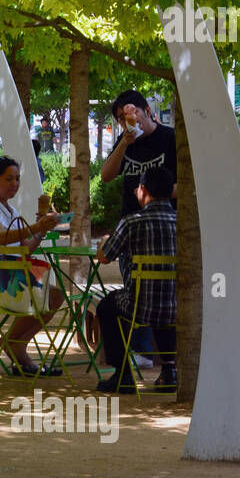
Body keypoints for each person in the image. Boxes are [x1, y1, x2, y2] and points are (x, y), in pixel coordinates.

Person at [0, 156, 65, 374]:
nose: (15, 184)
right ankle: (16, 349)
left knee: (54, 295)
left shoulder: (10, 210)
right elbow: (2, 237)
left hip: (5, 274)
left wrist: (42, 229)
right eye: (9, 179)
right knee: (46, 295)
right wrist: (37, 225)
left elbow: (26, 249)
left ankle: (14, 344)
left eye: (17, 179)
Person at [99, 89, 177, 369]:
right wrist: (124, 143)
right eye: (121, 118)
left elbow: (189, 183)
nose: (128, 121)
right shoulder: (126, 140)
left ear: (146, 111)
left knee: (160, 292)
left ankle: (163, 361)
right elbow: (106, 175)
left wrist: (158, 193)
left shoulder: (169, 138)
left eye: (131, 114)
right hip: (131, 230)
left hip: (164, 227)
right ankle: (143, 353)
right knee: (136, 288)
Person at [94, 166, 178, 393]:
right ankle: (169, 370)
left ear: (143, 189)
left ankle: (123, 374)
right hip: (178, 306)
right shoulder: (183, 224)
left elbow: (104, 257)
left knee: (106, 307)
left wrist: (103, 241)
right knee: (163, 304)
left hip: (138, 306)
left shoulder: (132, 222)